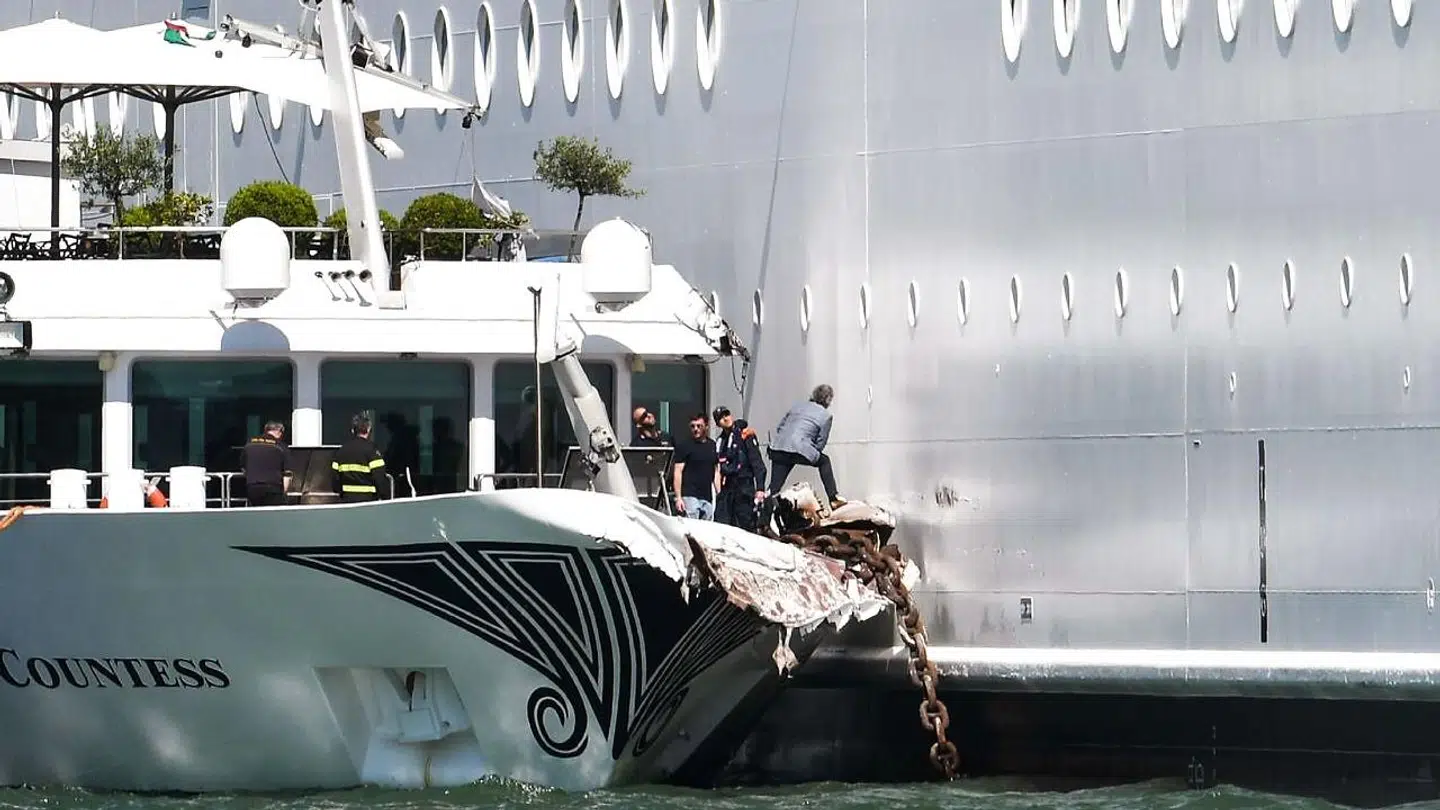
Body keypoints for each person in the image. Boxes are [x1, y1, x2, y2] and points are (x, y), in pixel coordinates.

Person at [768, 384, 846, 510]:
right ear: (828, 400)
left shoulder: (796, 406)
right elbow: (821, 443)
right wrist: (810, 451)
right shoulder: (826, 416)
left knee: (774, 487)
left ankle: (762, 521)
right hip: (800, 449)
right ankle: (833, 498)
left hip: (778, 447)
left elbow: (780, 427)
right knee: (824, 461)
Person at [712, 406, 768, 532]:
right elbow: (718, 469)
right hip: (728, 489)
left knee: (745, 525)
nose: (725, 419)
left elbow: (757, 463)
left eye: (727, 415)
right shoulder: (720, 442)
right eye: (721, 418)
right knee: (721, 525)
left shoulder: (745, 435)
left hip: (744, 487)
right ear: (717, 424)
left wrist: (760, 489)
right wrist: (719, 491)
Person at [671, 413, 720, 520]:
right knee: (691, 530)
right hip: (689, 496)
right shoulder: (684, 446)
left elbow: (716, 471)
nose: (696, 429)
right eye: (692, 426)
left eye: (699, 426)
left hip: (707, 497)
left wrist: (719, 493)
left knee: (705, 531)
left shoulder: (712, 445)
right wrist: (678, 498)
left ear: (706, 427)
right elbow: (678, 471)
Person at [332, 414, 390, 503]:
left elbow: (335, 481)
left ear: (352, 430)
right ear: (368, 429)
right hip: (368, 502)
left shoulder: (341, 451)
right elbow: (380, 478)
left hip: (347, 501)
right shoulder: (372, 451)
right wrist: (386, 498)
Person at [241, 421, 290, 507]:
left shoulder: (250, 443)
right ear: (279, 431)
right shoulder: (281, 446)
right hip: (273, 487)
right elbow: (287, 474)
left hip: (252, 487)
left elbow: (243, 467)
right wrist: (284, 493)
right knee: (275, 516)